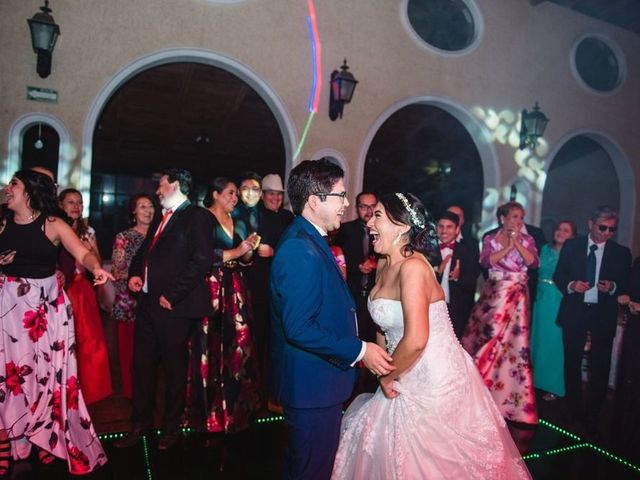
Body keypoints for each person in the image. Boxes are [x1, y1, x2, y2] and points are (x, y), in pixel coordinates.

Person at [332, 192, 531, 479]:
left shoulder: (413, 267)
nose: (369, 222)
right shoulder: (385, 263)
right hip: (400, 368)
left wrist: (386, 376)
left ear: (401, 227)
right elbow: (382, 325)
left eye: (377, 216)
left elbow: (416, 339)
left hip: (434, 377)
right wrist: (383, 370)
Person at [269, 159, 394, 480]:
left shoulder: (309, 239)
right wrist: (361, 350)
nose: (345, 205)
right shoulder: (299, 248)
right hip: (311, 386)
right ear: (314, 200)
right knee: (310, 469)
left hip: (318, 382)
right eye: (339, 196)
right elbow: (299, 328)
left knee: (306, 464)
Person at [0, 169, 112, 474]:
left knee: (42, 374)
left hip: (44, 308)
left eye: (14, 184)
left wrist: (96, 269)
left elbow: (82, 252)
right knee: (11, 374)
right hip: (8, 307)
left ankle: (42, 432)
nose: (7, 189)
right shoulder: (2, 221)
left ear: (30, 192)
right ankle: (16, 433)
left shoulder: (52, 223)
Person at [115, 168, 215, 451]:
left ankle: (172, 428)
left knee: (173, 370)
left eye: (161, 186)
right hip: (147, 304)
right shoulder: (162, 217)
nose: (157, 191)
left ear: (176, 185)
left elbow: (202, 260)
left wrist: (173, 295)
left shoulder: (197, 216)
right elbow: (144, 252)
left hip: (174, 306)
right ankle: (140, 424)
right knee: (142, 367)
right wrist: (136, 273)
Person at [185, 177, 260, 433]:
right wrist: (238, 252)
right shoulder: (202, 219)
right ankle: (209, 414)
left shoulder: (238, 221)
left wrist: (248, 250)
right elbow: (199, 256)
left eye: (236, 195)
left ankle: (237, 409)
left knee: (241, 342)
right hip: (210, 288)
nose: (235, 198)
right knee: (209, 346)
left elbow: (245, 258)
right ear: (215, 194)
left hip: (235, 286)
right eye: (230, 193)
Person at [553, 206, 631, 434]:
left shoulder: (620, 253)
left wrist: (613, 287)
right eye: (603, 227)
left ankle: (593, 414)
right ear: (590, 224)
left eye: (612, 230)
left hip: (602, 315)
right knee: (572, 363)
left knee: (600, 366)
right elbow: (559, 275)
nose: (607, 233)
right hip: (575, 312)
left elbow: (626, 283)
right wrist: (571, 285)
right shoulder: (572, 246)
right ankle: (572, 409)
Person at [462, 201, 539, 425]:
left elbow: (532, 262)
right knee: (488, 337)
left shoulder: (528, 240)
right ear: (502, 218)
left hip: (516, 297)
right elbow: (487, 261)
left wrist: (518, 242)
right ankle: (476, 389)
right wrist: (507, 246)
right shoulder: (490, 238)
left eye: (521, 217)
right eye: (514, 217)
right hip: (495, 296)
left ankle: (507, 400)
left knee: (512, 346)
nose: (518, 221)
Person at [58, 188, 113, 405]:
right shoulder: (54, 226)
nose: (75, 206)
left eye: (79, 203)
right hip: (62, 288)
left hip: (82, 289)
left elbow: (96, 261)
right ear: (61, 204)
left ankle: (92, 390)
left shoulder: (88, 231)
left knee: (90, 340)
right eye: (70, 202)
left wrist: (91, 249)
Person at [110, 194, 156, 399]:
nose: (148, 210)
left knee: (152, 353)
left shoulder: (160, 235)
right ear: (134, 211)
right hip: (130, 300)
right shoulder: (124, 237)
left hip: (155, 300)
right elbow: (117, 270)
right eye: (142, 206)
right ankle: (131, 393)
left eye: (151, 206)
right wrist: (139, 277)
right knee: (129, 350)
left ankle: (148, 393)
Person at [530, 220, 576, 401]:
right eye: (559, 228)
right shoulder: (543, 250)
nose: (560, 232)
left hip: (558, 300)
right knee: (537, 341)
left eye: (566, 230)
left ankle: (553, 386)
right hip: (540, 300)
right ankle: (534, 382)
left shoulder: (572, 254)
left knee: (554, 344)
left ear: (572, 236)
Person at [612, 256, 640, 462]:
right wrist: (625, 297)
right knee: (628, 377)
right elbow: (630, 287)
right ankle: (622, 436)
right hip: (634, 327)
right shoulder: (639, 262)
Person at [434, 210, 479, 339]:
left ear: (457, 229)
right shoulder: (428, 250)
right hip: (431, 306)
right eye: (441, 226)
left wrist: (458, 276)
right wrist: (438, 271)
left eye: (449, 227)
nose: (444, 231)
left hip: (457, 308)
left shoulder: (467, 251)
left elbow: (471, 283)